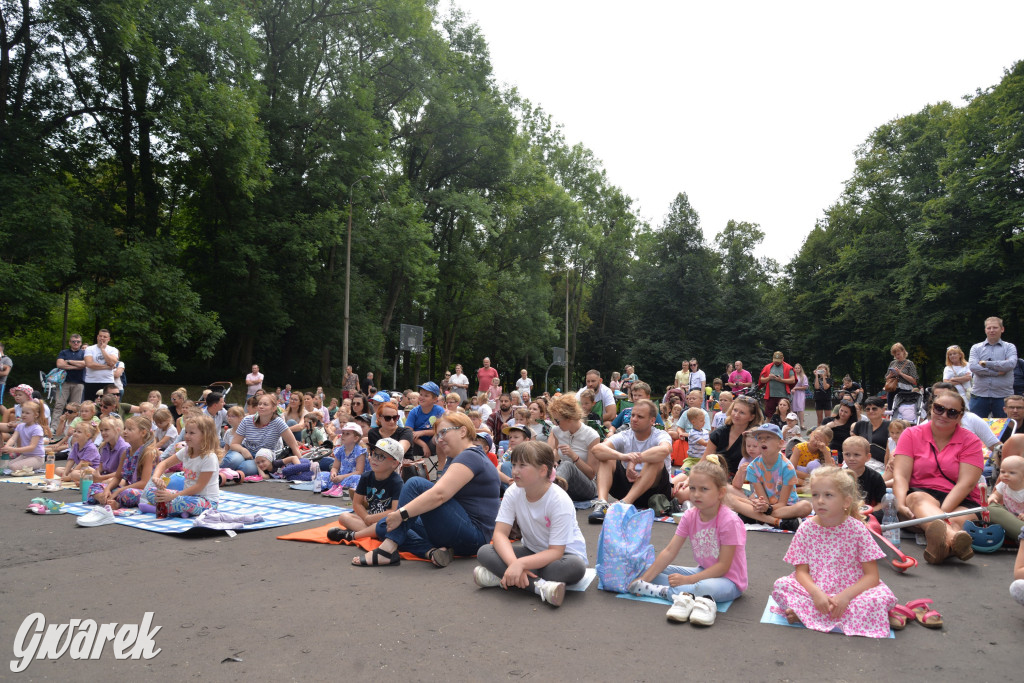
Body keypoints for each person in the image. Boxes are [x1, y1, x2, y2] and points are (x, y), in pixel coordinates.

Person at [354, 412, 500, 567]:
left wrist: (402, 513)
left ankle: (387, 549)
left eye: (444, 432)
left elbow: (439, 494)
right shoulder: (456, 458)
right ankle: (432, 552)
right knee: (386, 524)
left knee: (415, 484)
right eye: (438, 436)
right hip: (458, 531)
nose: (440, 439)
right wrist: (399, 516)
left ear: (463, 431)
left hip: (473, 536)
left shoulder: (470, 455)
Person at [770, 466, 898, 638]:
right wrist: (816, 594)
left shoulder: (857, 529)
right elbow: (801, 572)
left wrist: (844, 597)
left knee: (880, 598)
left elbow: (872, 577)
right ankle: (841, 616)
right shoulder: (806, 528)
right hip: (815, 590)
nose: (820, 501)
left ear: (846, 501)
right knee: (781, 585)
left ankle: (807, 615)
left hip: (851, 592)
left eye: (828, 495)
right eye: (815, 495)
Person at [628, 456, 747, 625]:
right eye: (692, 488)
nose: (696, 494)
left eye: (704, 489)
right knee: (645, 569)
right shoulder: (690, 516)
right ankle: (665, 588)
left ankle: (663, 592)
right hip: (703, 571)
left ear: (720, 492)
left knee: (703, 588)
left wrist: (689, 580)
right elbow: (670, 551)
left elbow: (723, 566)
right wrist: (644, 579)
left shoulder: (730, 521)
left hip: (729, 581)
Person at [473, 441, 587, 608]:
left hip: (562, 557)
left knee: (575, 567)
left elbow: (556, 552)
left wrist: (521, 564)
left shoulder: (559, 500)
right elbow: (499, 534)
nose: (515, 471)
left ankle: (501, 577)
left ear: (542, 470)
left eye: (522, 465)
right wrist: (514, 563)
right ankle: (541, 587)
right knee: (485, 551)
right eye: (513, 465)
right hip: (531, 550)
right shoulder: (513, 491)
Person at [892, 390, 982, 564]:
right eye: (939, 408)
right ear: (931, 408)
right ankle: (954, 541)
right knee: (919, 500)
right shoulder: (911, 434)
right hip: (920, 495)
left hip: (961, 499)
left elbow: (966, 484)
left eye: (952, 412)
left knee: (952, 524)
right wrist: (901, 503)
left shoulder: (971, 441)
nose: (944, 415)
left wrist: (942, 515)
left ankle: (940, 549)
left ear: (960, 416)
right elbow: (901, 475)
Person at [587, 400, 672, 524]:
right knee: (607, 456)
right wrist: (624, 456)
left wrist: (636, 459)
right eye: (633, 415)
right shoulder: (625, 435)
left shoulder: (661, 435)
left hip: (655, 491)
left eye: (640, 417)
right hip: (629, 484)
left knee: (655, 459)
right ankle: (602, 504)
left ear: (652, 421)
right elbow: (597, 449)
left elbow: (665, 450)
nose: (634, 419)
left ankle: (625, 504)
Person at [730, 424, 812, 530]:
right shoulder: (753, 467)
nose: (763, 441)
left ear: (781, 443)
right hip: (766, 506)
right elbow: (763, 498)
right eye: (759, 438)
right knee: (728, 497)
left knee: (806, 506)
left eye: (768, 437)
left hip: (785, 507)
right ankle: (777, 520)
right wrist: (762, 505)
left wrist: (766, 509)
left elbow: (782, 503)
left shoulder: (787, 467)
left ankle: (755, 517)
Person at [328, 437, 405, 542]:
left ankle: (354, 534)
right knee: (343, 517)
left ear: (394, 463)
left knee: (386, 527)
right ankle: (373, 533)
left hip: (387, 522)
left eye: (381, 456)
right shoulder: (366, 477)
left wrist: (370, 519)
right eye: (374, 454)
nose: (375, 459)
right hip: (369, 520)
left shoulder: (397, 482)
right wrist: (366, 517)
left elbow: (394, 511)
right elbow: (357, 504)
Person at [146, 415, 220, 517]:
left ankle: (157, 508)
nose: (187, 436)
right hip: (185, 496)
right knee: (151, 491)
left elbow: (199, 486)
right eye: (186, 432)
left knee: (179, 502)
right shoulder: (187, 451)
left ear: (205, 435)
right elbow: (164, 463)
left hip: (206, 501)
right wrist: (155, 477)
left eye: (192, 433)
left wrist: (172, 496)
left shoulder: (209, 457)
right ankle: (178, 510)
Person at [226, 394, 302, 476]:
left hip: (263, 458)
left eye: (265, 404)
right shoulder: (247, 420)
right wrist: (243, 450)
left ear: (273, 408)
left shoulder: (278, 422)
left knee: (247, 468)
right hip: (246, 451)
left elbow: (294, 445)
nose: (261, 406)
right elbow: (234, 444)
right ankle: (220, 473)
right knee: (233, 460)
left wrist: (302, 465)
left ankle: (230, 474)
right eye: (259, 404)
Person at [93, 416, 157, 510]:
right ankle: (107, 499)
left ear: (143, 432)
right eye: (125, 428)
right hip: (127, 488)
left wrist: (120, 490)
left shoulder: (148, 453)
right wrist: (107, 489)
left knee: (128, 493)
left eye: (130, 429)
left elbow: (144, 483)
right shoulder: (126, 452)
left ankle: (115, 503)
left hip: (145, 491)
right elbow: (117, 477)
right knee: (95, 486)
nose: (125, 432)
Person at [547, 393, 599, 503]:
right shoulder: (557, 431)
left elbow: (591, 474)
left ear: (569, 418)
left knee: (567, 464)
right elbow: (554, 453)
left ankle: (548, 496)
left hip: (587, 487)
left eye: (557, 420)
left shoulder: (591, 435)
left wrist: (574, 456)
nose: (555, 424)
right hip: (566, 485)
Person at [704, 395, 764, 478]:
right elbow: (704, 461)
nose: (736, 415)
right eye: (735, 410)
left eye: (742, 412)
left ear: (751, 417)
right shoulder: (719, 433)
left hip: (743, 481)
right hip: (716, 477)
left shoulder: (755, 436)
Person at [968, 317, 1018, 418]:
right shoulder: (976, 348)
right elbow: (973, 367)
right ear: (985, 330)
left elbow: (1011, 364)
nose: (992, 330)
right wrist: (997, 372)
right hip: (979, 395)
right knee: (974, 429)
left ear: (1002, 329)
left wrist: (986, 364)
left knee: (1005, 429)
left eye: (995, 327)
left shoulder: (1009, 347)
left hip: (1003, 396)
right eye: (989, 328)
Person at [842, 436, 886, 523]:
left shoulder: (875, 477)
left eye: (856, 455)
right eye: (847, 454)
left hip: (867, 513)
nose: (851, 458)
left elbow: (882, 504)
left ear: (868, 457)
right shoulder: (839, 477)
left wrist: (868, 511)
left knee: (881, 514)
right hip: (844, 513)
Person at [406, 382, 446, 470]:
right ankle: (406, 470)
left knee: (440, 437)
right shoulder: (414, 412)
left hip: (433, 444)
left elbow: (442, 430)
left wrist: (423, 432)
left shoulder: (439, 411)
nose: (421, 397)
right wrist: (423, 445)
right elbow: (408, 432)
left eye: (426, 395)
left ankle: (441, 470)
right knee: (405, 438)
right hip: (415, 443)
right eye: (421, 394)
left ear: (435, 399)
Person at [51, 334, 86, 431]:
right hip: (64, 383)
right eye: (74, 341)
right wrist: (77, 366)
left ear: (81, 343)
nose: (76, 343)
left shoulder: (84, 353)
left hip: (79, 383)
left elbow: (85, 364)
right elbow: (59, 364)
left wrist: (69, 361)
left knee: (75, 408)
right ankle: (54, 427)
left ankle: (73, 428)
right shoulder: (63, 352)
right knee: (59, 405)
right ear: (70, 342)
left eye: (78, 341)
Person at [986, 454, 1024, 540]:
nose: (1006, 475)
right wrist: (993, 497)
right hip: (1010, 516)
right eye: (1003, 472)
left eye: (1012, 473)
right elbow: (996, 494)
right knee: (989, 507)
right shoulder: (1004, 485)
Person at [323, 422, 366, 496]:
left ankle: (343, 489)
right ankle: (333, 487)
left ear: (356, 438)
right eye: (343, 433)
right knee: (323, 474)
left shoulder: (359, 451)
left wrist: (342, 477)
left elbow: (359, 472)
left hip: (350, 477)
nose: (343, 436)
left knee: (356, 478)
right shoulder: (340, 450)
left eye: (347, 434)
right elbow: (335, 467)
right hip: (340, 477)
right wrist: (333, 473)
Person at [2, 399, 45, 472]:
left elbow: (32, 447)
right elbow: (13, 439)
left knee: (13, 467)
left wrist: (12, 449)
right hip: (25, 456)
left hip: (37, 457)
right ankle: (30, 467)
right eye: (22, 412)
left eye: (27, 413)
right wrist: (7, 447)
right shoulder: (20, 426)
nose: (23, 415)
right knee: (7, 467)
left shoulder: (37, 428)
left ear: (36, 415)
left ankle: (35, 467)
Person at [852, 396, 890, 470]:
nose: (871, 411)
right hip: (860, 461)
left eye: (874, 408)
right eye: (868, 409)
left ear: (883, 410)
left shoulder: (890, 426)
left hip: (882, 463)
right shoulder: (860, 425)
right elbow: (853, 445)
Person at [82, 329, 119, 401]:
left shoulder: (113, 350)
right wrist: (107, 367)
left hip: (107, 381)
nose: (102, 338)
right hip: (91, 381)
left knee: (107, 403)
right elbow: (89, 364)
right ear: (97, 337)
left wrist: (103, 350)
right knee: (90, 404)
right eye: (100, 336)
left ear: (109, 339)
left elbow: (112, 363)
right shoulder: (89, 349)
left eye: (105, 337)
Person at [758, 351, 796, 419]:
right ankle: (769, 429)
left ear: (783, 359)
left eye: (778, 360)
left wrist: (781, 380)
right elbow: (761, 380)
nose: (777, 362)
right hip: (770, 396)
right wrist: (768, 378)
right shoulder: (767, 367)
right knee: (769, 416)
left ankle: (784, 428)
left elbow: (793, 380)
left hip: (783, 396)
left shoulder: (788, 367)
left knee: (784, 415)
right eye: (775, 360)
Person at [885, 343, 918, 413]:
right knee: (891, 410)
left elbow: (913, 380)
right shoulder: (892, 363)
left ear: (903, 351)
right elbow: (886, 378)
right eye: (895, 355)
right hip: (892, 389)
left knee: (902, 411)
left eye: (898, 354)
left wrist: (901, 373)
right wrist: (890, 374)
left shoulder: (910, 363)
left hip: (905, 391)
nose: (897, 356)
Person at [791, 364, 809, 430]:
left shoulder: (803, 376)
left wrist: (796, 388)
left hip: (800, 394)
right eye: (796, 368)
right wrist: (792, 389)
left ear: (800, 369)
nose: (797, 369)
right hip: (793, 394)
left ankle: (802, 424)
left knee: (800, 409)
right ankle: (794, 423)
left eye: (798, 368)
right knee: (793, 409)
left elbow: (805, 387)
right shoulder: (792, 376)